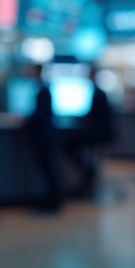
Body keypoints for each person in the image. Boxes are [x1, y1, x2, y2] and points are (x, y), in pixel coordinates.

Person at [66, 67, 115, 197]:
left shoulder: (97, 93)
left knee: (70, 144)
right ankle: (88, 175)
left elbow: (93, 116)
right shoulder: (98, 92)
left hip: (98, 133)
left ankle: (89, 174)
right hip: (99, 131)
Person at [24, 64, 61, 213]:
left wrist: (25, 120)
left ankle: (52, 201)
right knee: (47, 169)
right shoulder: (43, 89)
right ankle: (51, 200)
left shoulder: (43, 91)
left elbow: (40, 115)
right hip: (45, 135)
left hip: (43, 136)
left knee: (48, 169)